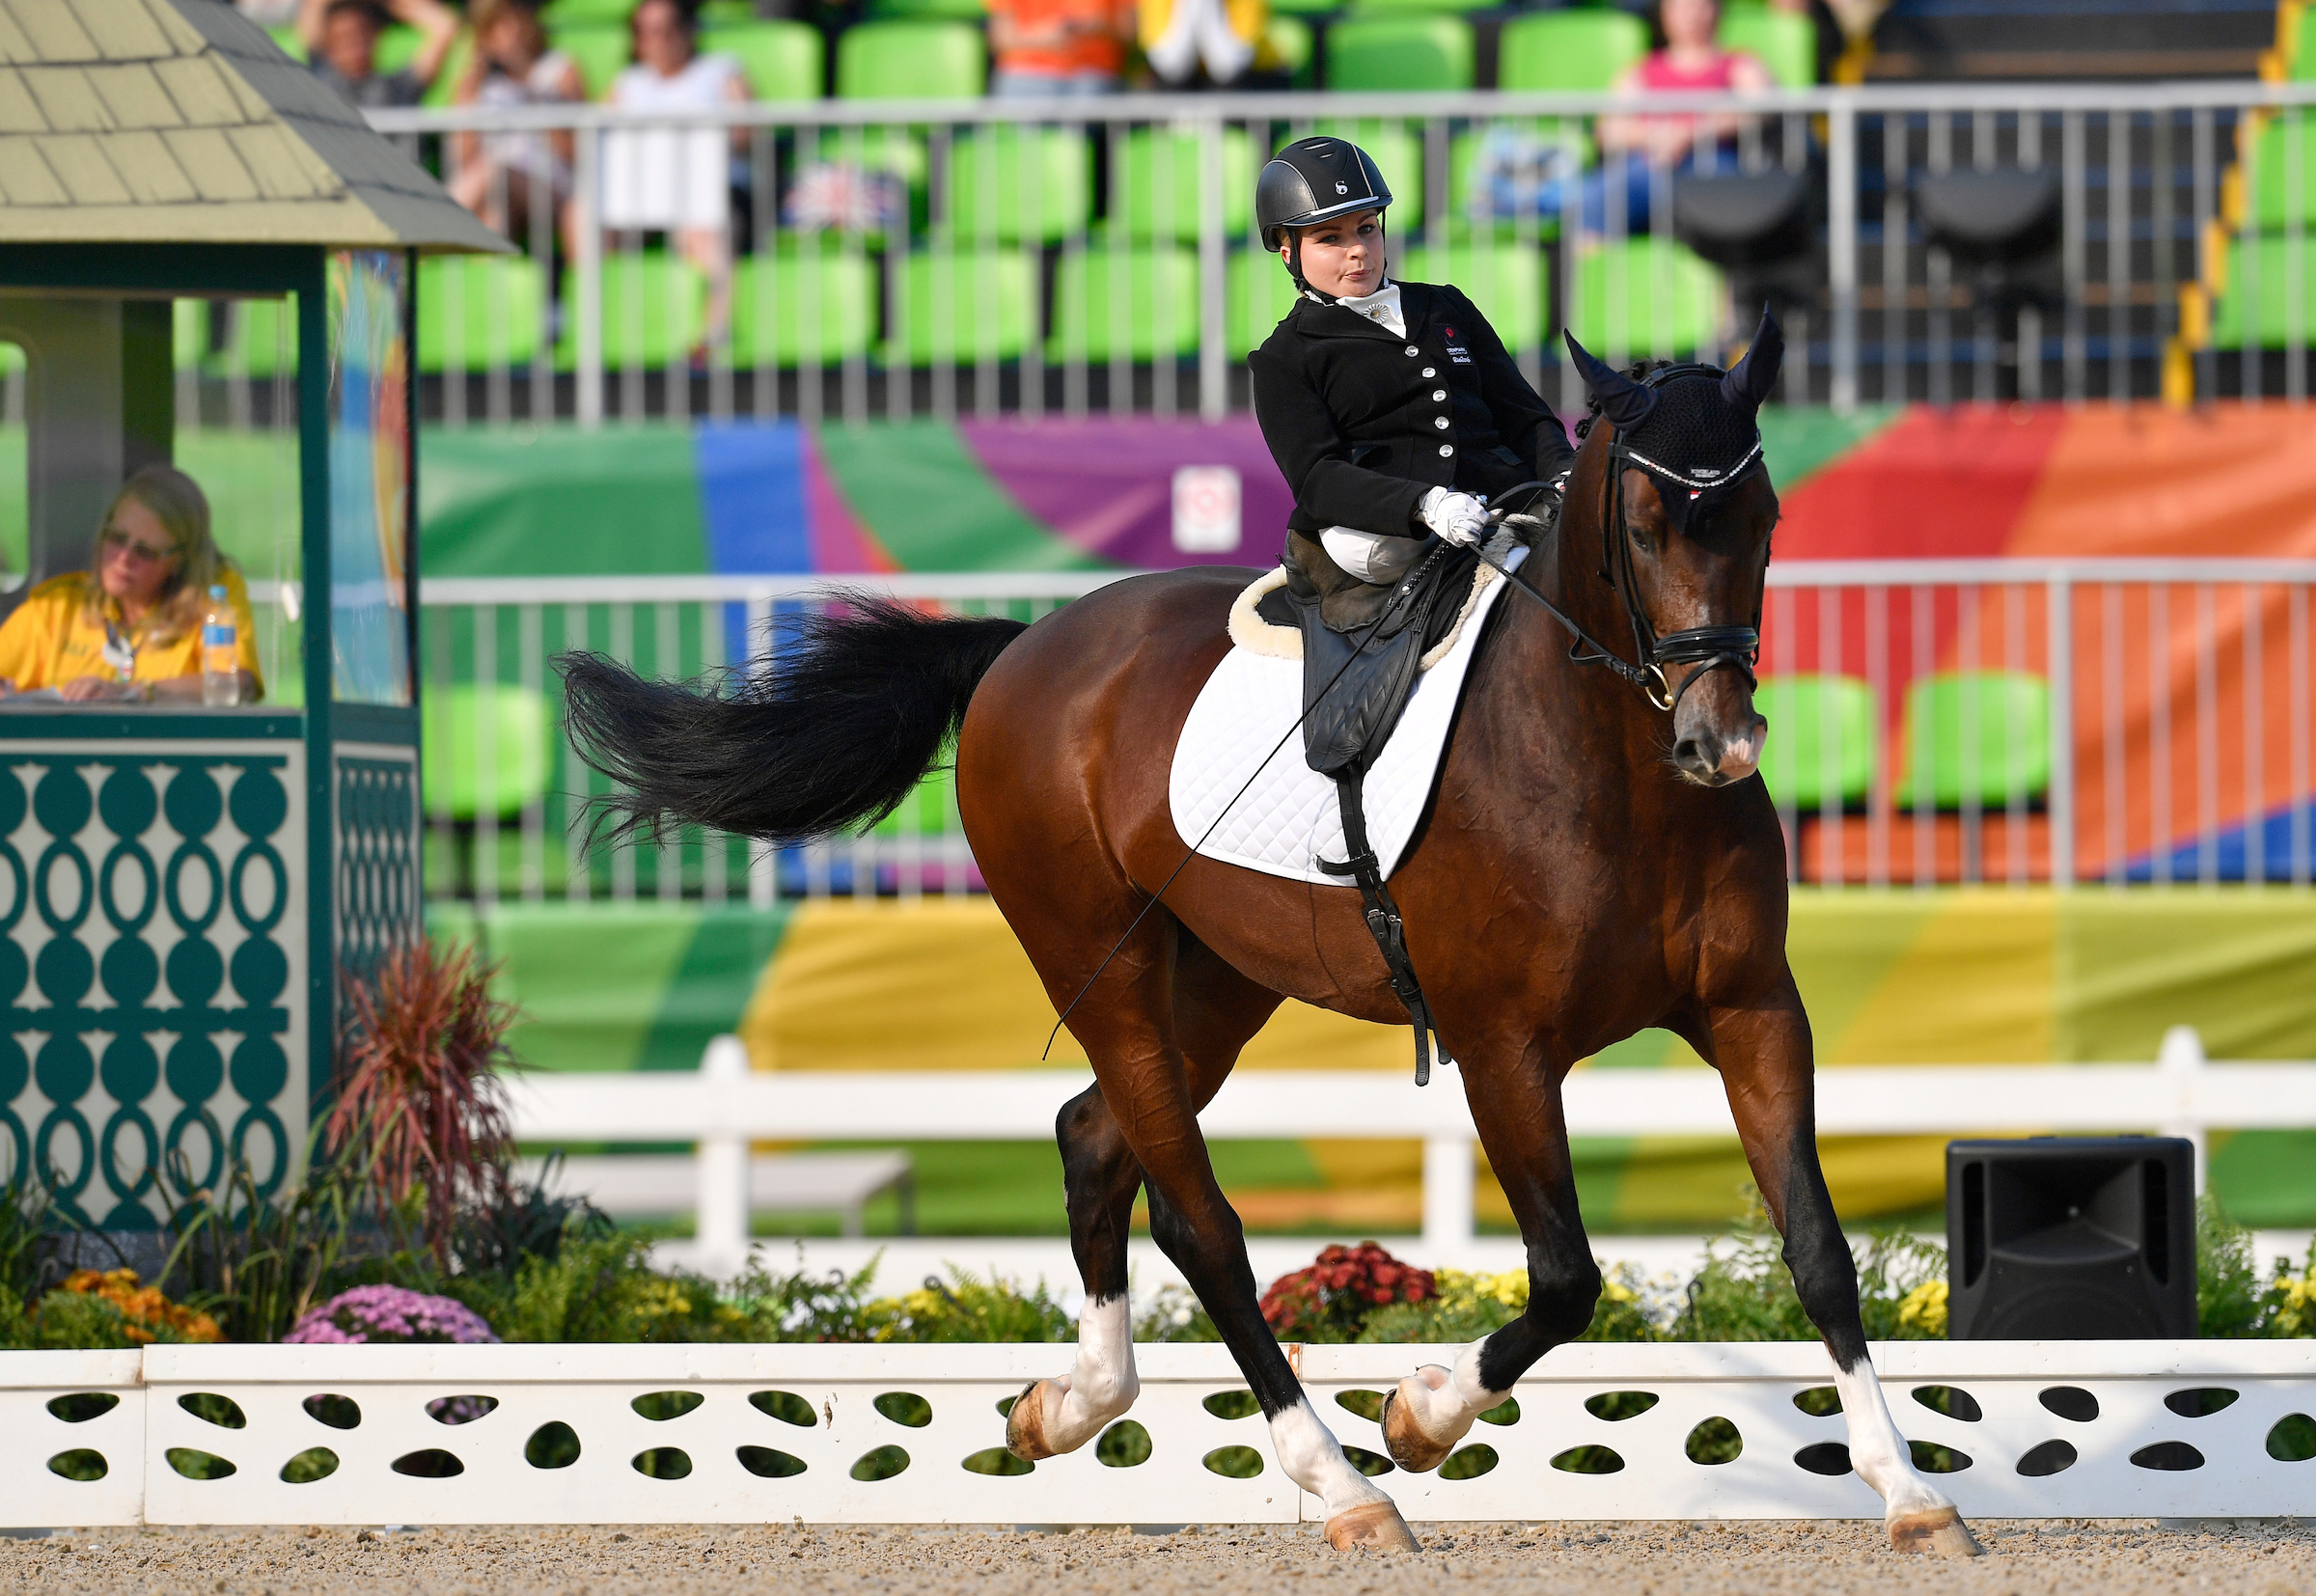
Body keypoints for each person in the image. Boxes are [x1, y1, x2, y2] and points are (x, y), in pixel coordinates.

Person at [1248, 136, 1578, 605]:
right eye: (1330, 239)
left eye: (1366, 229)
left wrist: (1564, 473)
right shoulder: (1284, 357)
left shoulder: (1446, 305)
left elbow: (1524, 415)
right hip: (1392, 535)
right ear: (1288, 251)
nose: (1358, 251)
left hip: (1507, 502)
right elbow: (1318, 478)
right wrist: (1423, 504)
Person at [1470, 0, 1771, 236]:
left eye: (1700, 4)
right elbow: (1609, 129)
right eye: (1682, 5)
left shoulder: (1738, 63)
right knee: (1592, 200)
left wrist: (1689, 133)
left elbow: (1759, 107)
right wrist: (1658, 136)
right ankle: (1590, 294)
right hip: (1648, 168)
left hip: (1713, 166)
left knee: (1727, 211)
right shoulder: (1643, 70)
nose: (1692, 14)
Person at [0, 466, 262, 704]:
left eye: (145, 551)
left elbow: (238, 684)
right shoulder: (58, 606)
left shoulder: (212, 596)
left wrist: (136, 693)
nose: (124, 558)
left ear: (178, 562)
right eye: (116, 538)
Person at [601, 0, 752, 354]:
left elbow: (744, 134)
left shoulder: (722, 70)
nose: (661, 40)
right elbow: (596, 141)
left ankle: (714, 330)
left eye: (669, 29)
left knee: (699, 227)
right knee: (582, 216)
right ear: (636, 41)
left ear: (689, 30)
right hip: (643, 194)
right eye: (650, 32)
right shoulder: (627, 83)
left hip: (709, 188)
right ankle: (596, 324)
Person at [449, 0, 585, 252]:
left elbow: (574, 152)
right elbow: (462, 157)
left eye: (516, 20)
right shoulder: (476, 82)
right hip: (496, 185)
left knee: (494, 170)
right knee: (494, 215)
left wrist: (528, 83)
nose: (512, 31)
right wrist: (472, 85)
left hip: (552, 185)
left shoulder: (560, 70)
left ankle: (432, 233)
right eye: (500, 24)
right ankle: (498, 287)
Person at [298, 0, 460, 110]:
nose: (355, 44)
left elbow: (444, 26)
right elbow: (313, 7)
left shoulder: (398, 88)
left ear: (377, 36)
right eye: (344, 36)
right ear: (328, 43)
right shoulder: (320, 81)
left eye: (362, 33)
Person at [987, 0, 1137, 97]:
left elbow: (1130, 33)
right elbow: (1000, 38)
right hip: (1027, 73)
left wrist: (1097, 28)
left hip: (1094, 76)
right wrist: (1042, 39)